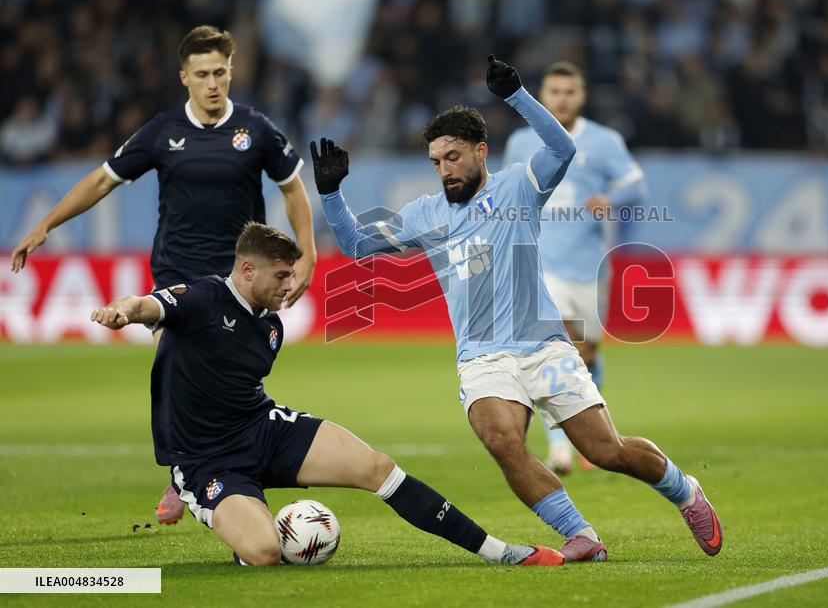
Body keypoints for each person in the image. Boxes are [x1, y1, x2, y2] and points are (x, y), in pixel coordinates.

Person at [312, 55, 722, 562]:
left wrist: (517, 96)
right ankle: (583, 536)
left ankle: (685, 490)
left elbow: (563, 147)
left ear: (481, 151)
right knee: (501, 438)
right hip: (482, 356)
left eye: (454, 157)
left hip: (545, 346)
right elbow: (354, 244)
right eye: (436, 162)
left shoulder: (519, 186)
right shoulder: (425, 214)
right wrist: (331, 192)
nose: (445, 171)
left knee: (605, 450)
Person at [89, 222, 563, 567]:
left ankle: (497, 552)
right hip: (206, 461)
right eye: (281, 276)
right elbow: (148, 304)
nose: (290, 286)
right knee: (263, 552)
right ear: (248, 270)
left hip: (263, 429)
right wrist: (122, 312)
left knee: (377, 468)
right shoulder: (202, 299)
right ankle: (230, 510)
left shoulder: (270, 328)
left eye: (291, 275)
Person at [8, 25, 318, 526]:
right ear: (184, 77)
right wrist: (46, 223)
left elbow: (293, 190)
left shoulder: (257, 130)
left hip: (239, 277)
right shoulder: (162, 131)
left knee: (234, 375)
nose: (213, 83)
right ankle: (182, 468)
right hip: (178, 271)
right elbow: (102, 179)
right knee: (173, 358)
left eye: (220, 72)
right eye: (202, 74)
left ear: (231, 71)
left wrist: (306, 254)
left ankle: (225, 462)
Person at [502, 61, 646, 475]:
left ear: (581, 97)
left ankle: (594, 435)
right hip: (538, 265)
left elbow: (637, 184)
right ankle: (560, 445)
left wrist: (611, 198)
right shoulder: (519, 142)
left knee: (586, 353)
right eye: (554, 92)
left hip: (589, 266)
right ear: (542, 97)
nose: (561, 99)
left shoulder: (604, 141)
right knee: (556, 348)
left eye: (569, 92)